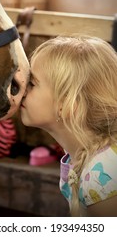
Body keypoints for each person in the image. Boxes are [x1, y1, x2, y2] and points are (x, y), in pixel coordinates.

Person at [20, 34, 117, 217]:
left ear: (68, 104)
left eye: (32, 83)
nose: (23, 90)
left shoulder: (104, 175)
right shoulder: (88, 160)